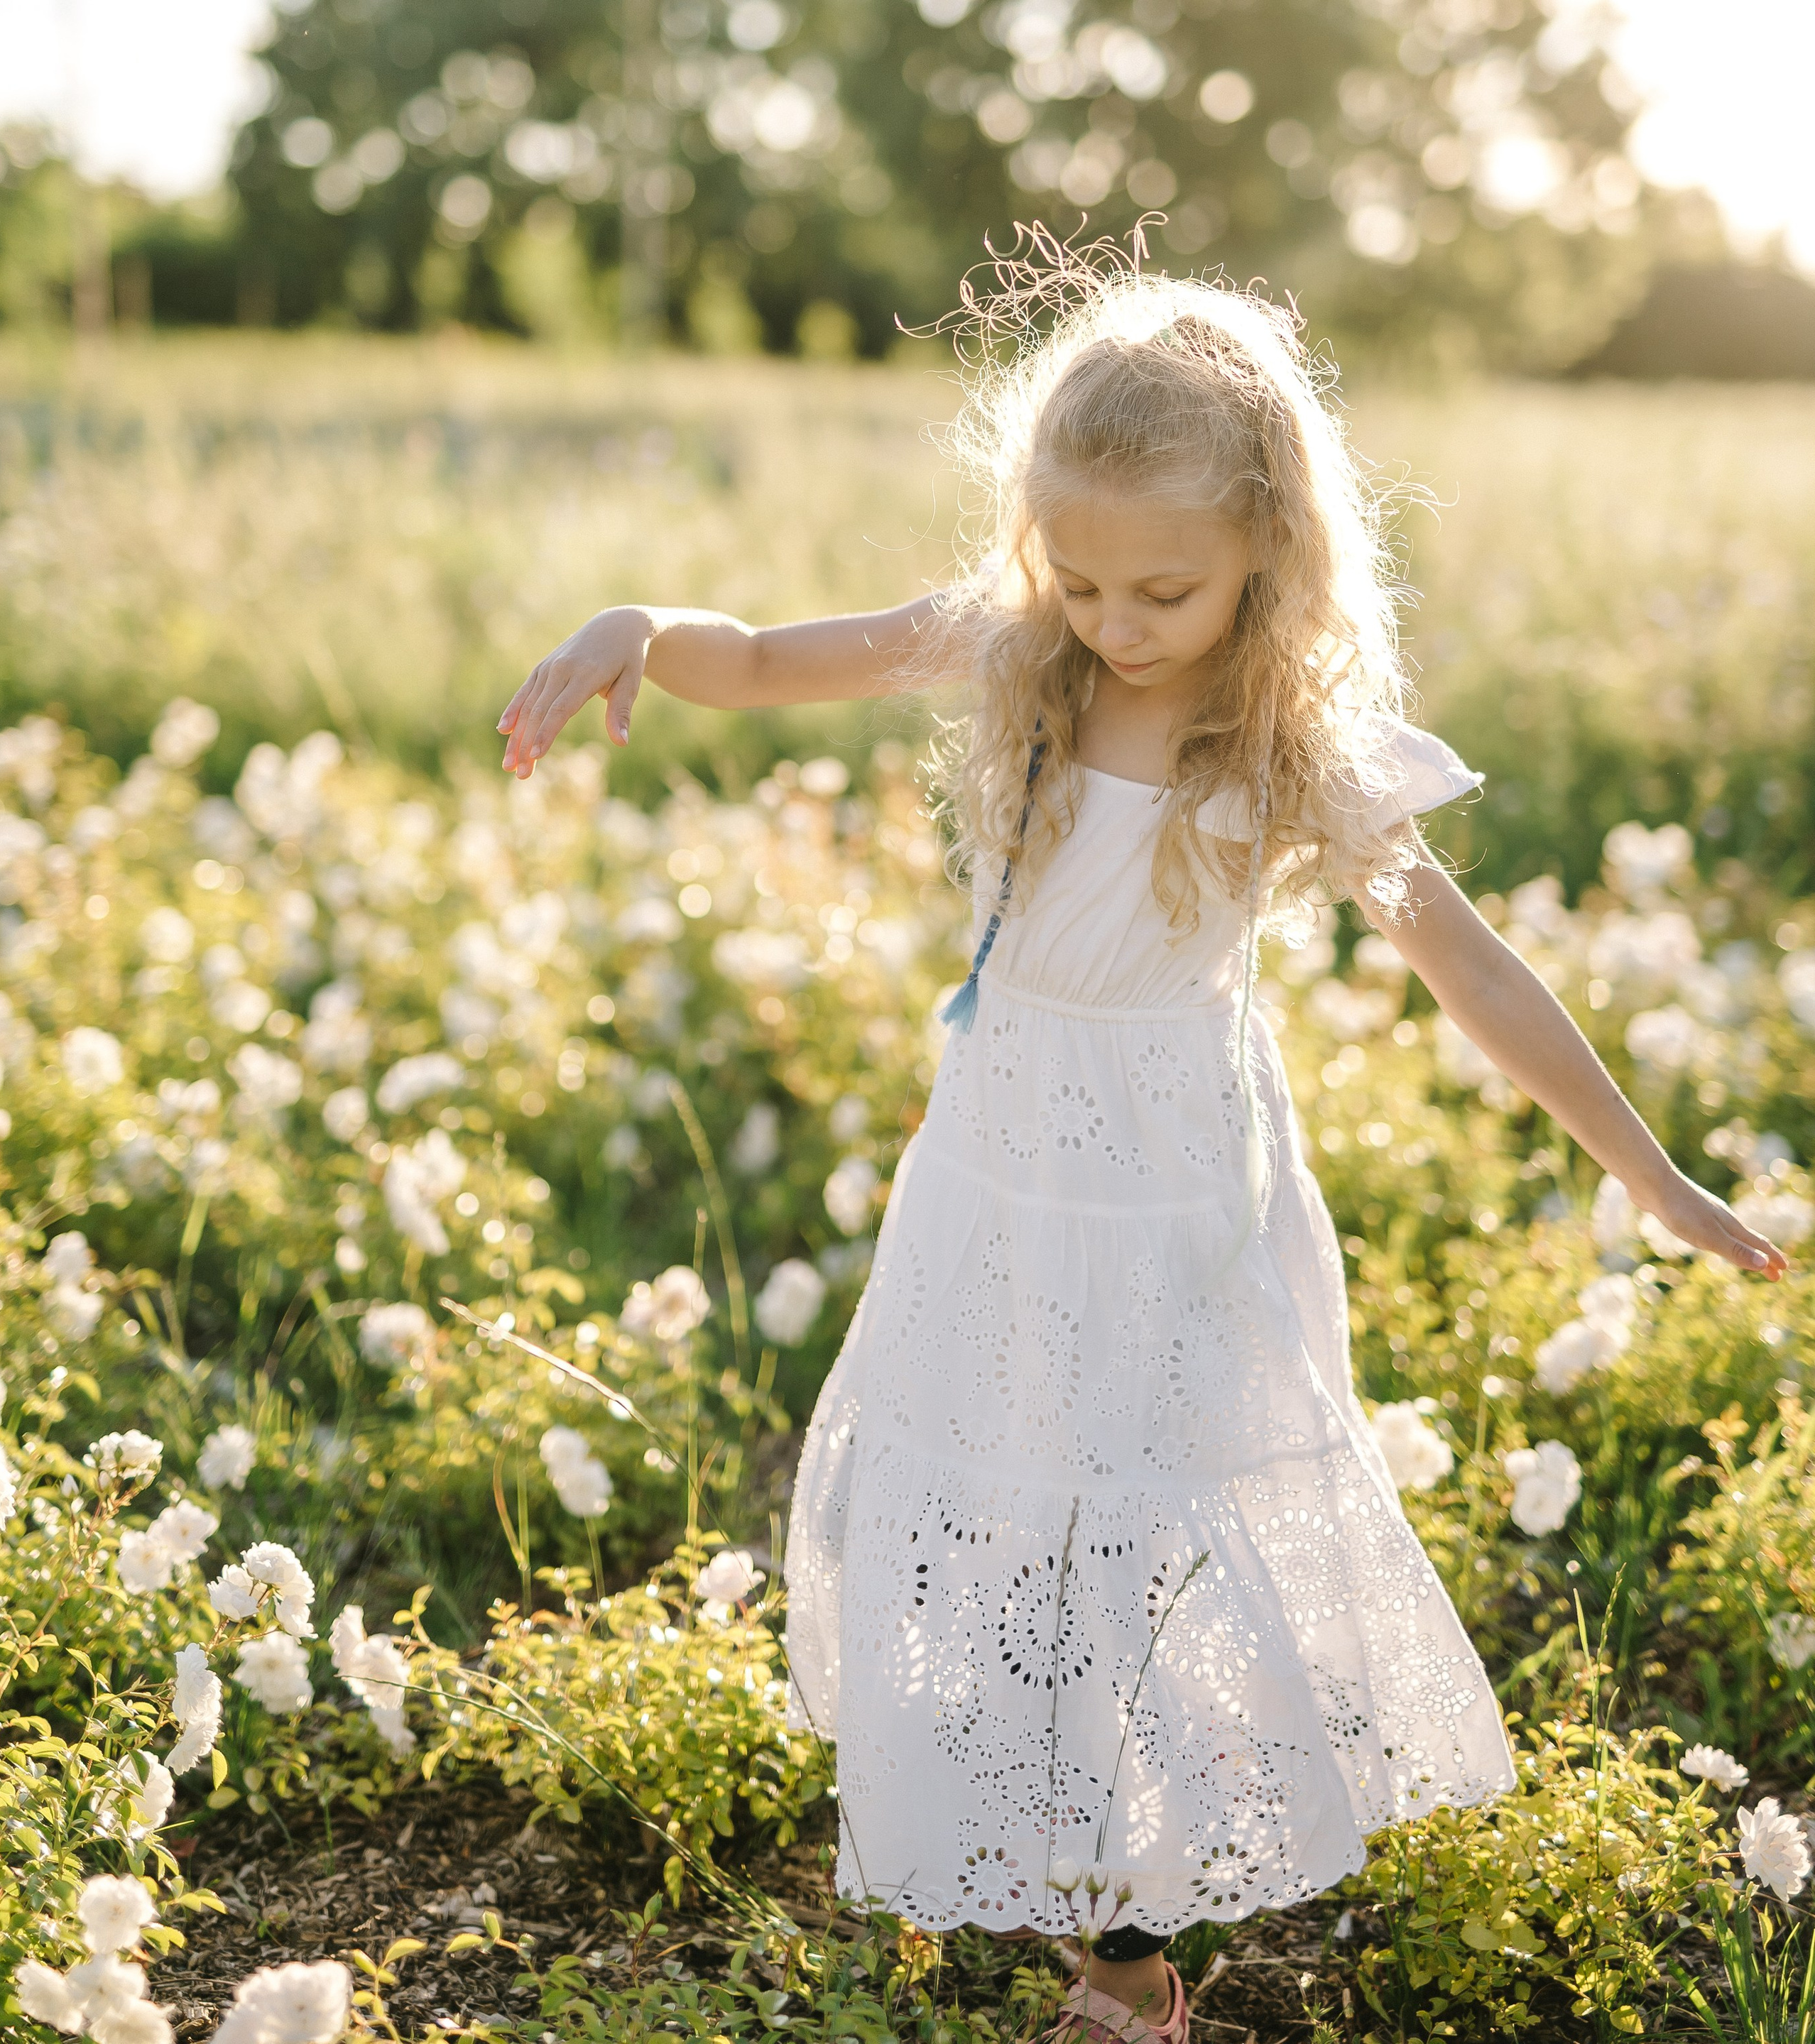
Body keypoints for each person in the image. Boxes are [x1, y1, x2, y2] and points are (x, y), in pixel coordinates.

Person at [497, 241, 1785, 2044]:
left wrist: (1642, 1168)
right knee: (1001, 1515)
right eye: (1081, 575)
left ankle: (1130, 1956)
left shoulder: (1289, 740)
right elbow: (773, 656)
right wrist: (632, 628)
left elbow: (1469, 967)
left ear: (1268, 539)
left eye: (1162, 586)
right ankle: (1049, 1870)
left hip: (1174, 1186)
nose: (1113, 619)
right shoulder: (1017, 645)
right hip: (1000, 1167)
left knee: (1153, 1534)